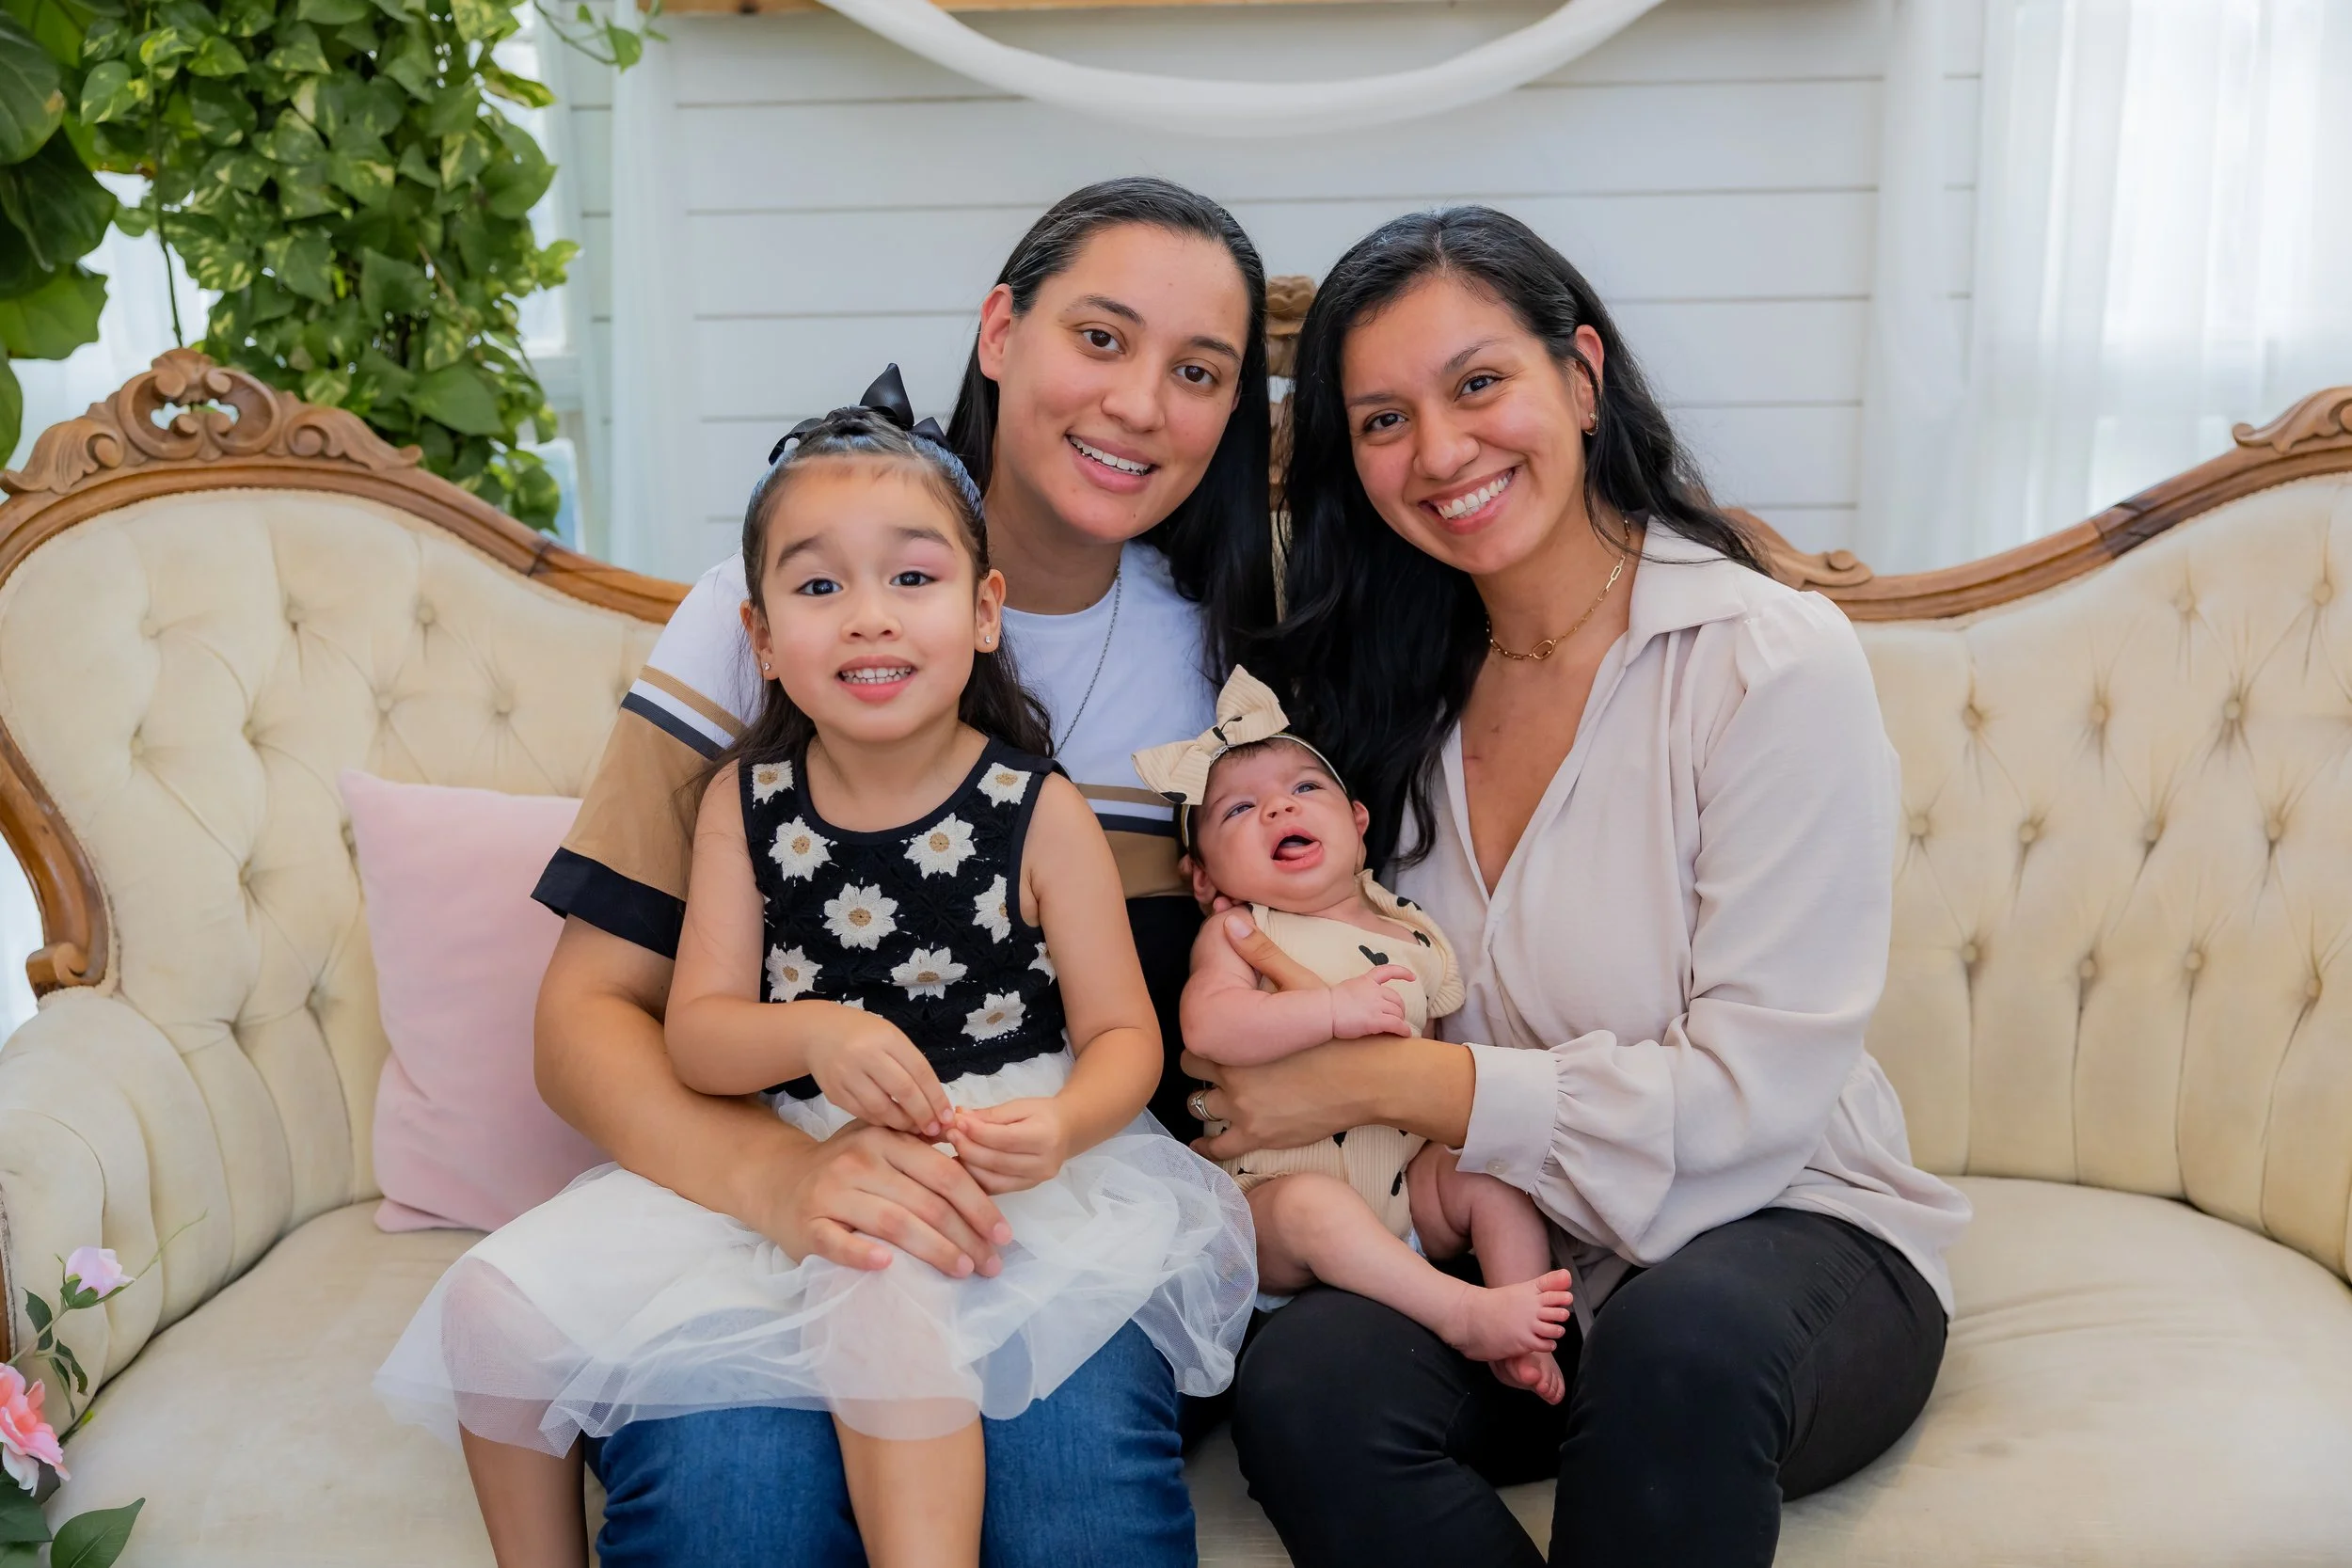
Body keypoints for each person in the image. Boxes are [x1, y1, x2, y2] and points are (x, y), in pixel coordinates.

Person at [1192, 207, 1974, 1567]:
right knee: (1308, 1382)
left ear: (1584, 374)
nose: (1440, 451)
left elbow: (1750, 1098)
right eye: (1381, 419)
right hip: (1505, 1250)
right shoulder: (1368, 697)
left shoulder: (1767, 663)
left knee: (1681, 1345)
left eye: (1479, 382)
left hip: (1784, 1222)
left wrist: (1391, 1083)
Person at [525, 178, 1272, 1567]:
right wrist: (781, 1184)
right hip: (762, 1207)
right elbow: (584, 1022)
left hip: (1044, 1218)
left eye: (1198, 372)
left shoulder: (1216, 678)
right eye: (1098, 339)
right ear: (1000, 330)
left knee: (1078, 1520)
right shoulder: (766, 622)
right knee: (727, 1513)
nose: (1137, 403)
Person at [1134, 666, 1573, 1404]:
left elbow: (1437, 1065)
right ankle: (1458, 1312)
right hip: (1277, 1209)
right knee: (1313, 1205)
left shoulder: (1413, 932)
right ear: (1205, 878)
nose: (1279, 807)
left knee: (1488, 1171)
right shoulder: (1241, 931)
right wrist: (1332, 1012)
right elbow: (1209, 1023)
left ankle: (1522, 1320)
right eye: (1240, 808)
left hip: (1407, 1196)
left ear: (1359, 819)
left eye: (1304, 789)